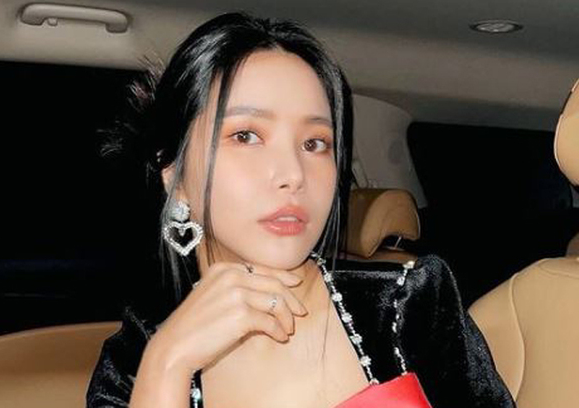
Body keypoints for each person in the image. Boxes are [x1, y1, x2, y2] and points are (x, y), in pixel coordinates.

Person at [86, 12, 515, 408]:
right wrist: (168, 365)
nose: (293, 174)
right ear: (174, 175)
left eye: (315, 143)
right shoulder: (138, 357)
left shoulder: (410, 303)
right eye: (246, 136)